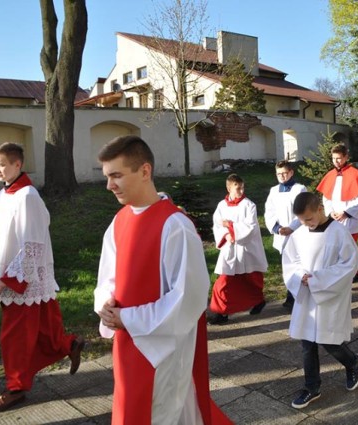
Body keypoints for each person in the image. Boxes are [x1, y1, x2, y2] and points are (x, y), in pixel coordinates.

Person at [94, 136, 230, 424]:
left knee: (161, 413)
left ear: (145, 171)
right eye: (107, 177)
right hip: (127, 340)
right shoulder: (119, 221)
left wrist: (128, 318)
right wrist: (104, 302)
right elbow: (108, 276)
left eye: (116, 175)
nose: (109, 185)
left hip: (162, 348)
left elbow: (188, 298)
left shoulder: (175, 226)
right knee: (130, 408)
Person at [0, 142, 85, 413]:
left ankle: (15, 388)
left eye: (1, 165)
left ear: (18, 164)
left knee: (13, 339)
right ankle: (69, 344)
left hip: (24, 279)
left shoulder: (28, 195)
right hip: (9, 274)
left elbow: (34, 243)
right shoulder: (3, 196)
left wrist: (13, 279)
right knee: (44, 330)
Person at [282, 192, 358, 409]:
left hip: (330, 294)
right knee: (307, 343)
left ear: (320, 209)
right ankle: (312, 387)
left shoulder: (338, 232)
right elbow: (291, 260)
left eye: (308, 219)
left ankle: (352, 361)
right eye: (300, 220)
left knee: (329, 341)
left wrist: (319, 279)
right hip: (308, 295)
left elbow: (349, 264)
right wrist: (300, 276)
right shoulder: (300, 233)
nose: (305, 224)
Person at [208, 173, 269, 325]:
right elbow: (217, 223)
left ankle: (258, 301)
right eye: (237, 189)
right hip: (229, 248)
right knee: (223, 281)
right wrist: (225, 235)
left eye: (242, 188)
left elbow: (251, 227)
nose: (241, 191)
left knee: (251, 279)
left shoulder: (249, 205)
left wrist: (231, 228)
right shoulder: (222, 206)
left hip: (246, 248)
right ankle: (220, 312)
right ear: (229, 188)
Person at [316, 144, 358, 282]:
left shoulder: (355, 173)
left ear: (346, 157)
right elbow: (326, 197)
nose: (336, 161)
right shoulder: (330, 175)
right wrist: (331, 211)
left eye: (339, 158)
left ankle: (354, 272)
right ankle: (340, 271)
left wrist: (346, 212)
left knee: (350, 246)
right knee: (337, 246)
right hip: (335, 217)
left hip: (350, 218)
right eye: (334, 158)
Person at [265, 160, 307, 310]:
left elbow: (303, 210)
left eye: (284, 173)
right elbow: (269, 212)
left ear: (291, 172)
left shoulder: (299, 189)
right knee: (286, 266)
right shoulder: (274, 191)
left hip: (297, 233)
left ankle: (295, 296)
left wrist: (292, 227)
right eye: (278, 174)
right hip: (282, 234)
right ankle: (290, 293)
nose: (282, 176)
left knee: (298, 264)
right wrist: (277, 228)